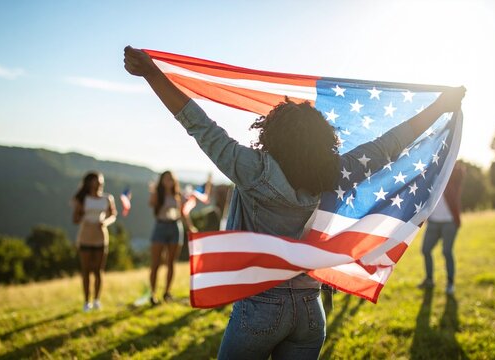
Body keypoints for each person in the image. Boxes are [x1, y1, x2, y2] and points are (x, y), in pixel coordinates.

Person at [124, 45, 465, 359]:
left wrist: (153, 74)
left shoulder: (251, 170)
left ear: (271, 134)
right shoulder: (336, 172)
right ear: (322, 142)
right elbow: (387, 145)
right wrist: (439, 107)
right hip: (310, 308)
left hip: (259, 305)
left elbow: (199, 124)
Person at [148, 170, 198, 305]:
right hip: (160, 226)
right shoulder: (158, 194)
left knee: (171, 262)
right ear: (162, 181)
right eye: (165, 179)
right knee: (156, 263)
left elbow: (184, 213)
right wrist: (155, 192)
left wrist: (190, 227)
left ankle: (167, 292)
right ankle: (152, 293)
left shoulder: (178, 195)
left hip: (175, 227)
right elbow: (151, 204)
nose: (168, 181)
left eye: (170, 179)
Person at [418, 161, 465, 296]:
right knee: (425, 250)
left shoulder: (452, 175)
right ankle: (429, 280)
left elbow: (459, 170)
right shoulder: (430, 175)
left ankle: (450, 283)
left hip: (449, 222)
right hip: (433, 222)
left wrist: (448, 158)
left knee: (446, 252)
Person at [72, 171, 117, 312]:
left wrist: (105, 222)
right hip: (85, 235)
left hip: (101, 235)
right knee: (86, 270)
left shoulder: (107, 198)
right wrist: (79, 211)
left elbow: (113, 215)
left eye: (101, 181)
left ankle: (97, 300)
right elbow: (75, 220)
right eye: (97, 181)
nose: (99, 184)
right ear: (90, 182)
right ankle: (86, 301)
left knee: (98, 270)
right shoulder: (83, 199)